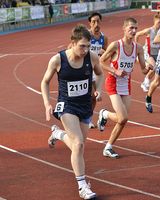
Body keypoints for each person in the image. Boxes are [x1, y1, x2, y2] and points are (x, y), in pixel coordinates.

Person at [41, 24, 104, 199]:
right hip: (66, 105)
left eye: (88, 46)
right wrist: (47, 103)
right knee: (78, 144)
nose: (85, 50)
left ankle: (58, 134)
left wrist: (98, 89)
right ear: (72, 43)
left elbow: (100, 74)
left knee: (79, 144)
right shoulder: (58, 60)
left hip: (85, 105)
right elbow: (44, 82)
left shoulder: (91, 57)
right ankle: (82, 186)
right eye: (82, 46)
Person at [97, 17, 153, 158]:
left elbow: (143, 70)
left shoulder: (138, 49)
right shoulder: (116, 45)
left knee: (123, 120)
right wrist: (115, 71)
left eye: (135, 28)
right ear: (124, 29)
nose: (134, 31)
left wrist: (150, 67)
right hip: (113, 83)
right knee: (122, 118)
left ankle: (108, 147)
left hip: (126, 85)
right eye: (131, 28)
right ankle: (104, 114)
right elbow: (101, 61)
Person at [88, 12, 108, 128]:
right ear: (90, 23)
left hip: (97, 70)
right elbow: (72, 47)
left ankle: (89, 118)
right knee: (89, 94)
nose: (96, 24)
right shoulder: (86, 35)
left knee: (94, 97)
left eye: (98, 21)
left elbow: (107, 54)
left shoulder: (104, 38)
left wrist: (104, 52)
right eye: (93, 22)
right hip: (85, 69)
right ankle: (84, 117)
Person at [135, 13, 160, 92]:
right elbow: (137, 34)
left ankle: (145, 82)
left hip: (157, 53)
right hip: (148, 53)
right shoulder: (149, 30)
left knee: (156, 69)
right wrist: (136, 47)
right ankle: (146, 81)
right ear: (154, 22)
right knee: (154, 67)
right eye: (159, 22)